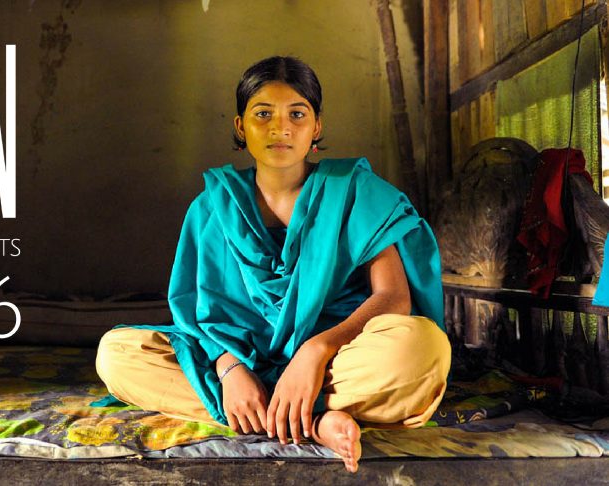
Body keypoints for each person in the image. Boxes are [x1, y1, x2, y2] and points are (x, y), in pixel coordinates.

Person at [95, 56, 451, 473]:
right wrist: (229, 370)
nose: (280, 127)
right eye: (263, 113)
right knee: (117, 354)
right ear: (240, 127)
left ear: (316, 127)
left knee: (422, 349)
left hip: (337, 358)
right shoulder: (213, 206)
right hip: (239, 361)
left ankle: (275, 410)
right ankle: (313, 423)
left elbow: (392, 297)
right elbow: (192, 314)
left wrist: (314, 353)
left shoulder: (352, 189)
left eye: (296, 114)